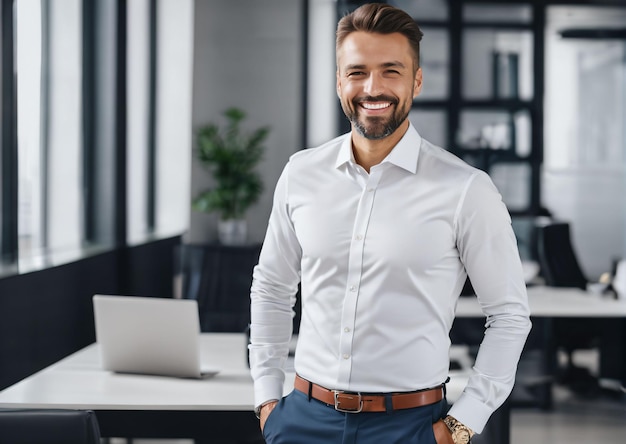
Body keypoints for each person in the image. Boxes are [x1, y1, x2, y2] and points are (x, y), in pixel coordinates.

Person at [249, 3, 531, 443]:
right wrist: (268, 400)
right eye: (357, 71)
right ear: (340, 80)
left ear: (416, 80)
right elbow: (271, 287)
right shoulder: (301, 174)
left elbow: (509, 315)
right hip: (302, 421)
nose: (372, 87)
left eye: (391, 71)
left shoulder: (466, 189)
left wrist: (460, 426)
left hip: (410, 427)